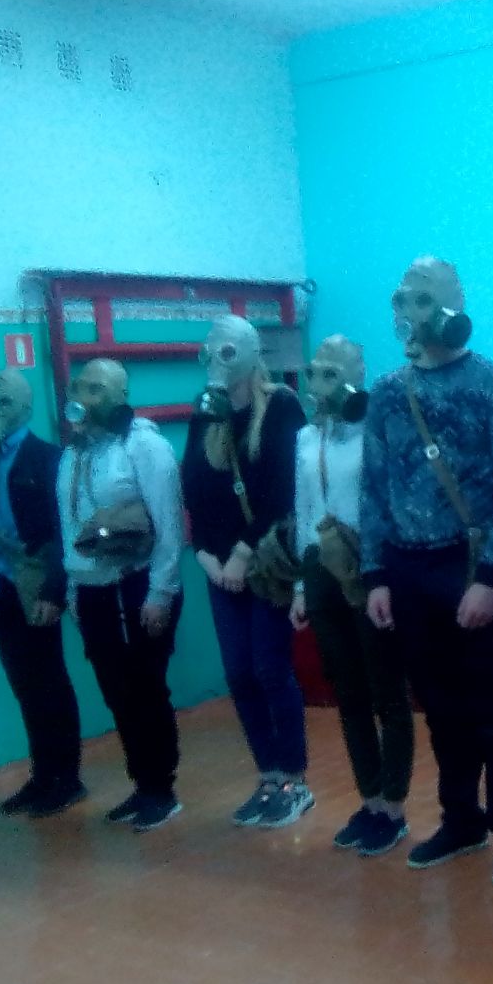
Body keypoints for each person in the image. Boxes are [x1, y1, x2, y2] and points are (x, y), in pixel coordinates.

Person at [361, 256, 493, 887]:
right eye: (402, 299)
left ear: (453, 304)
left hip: (471, 565)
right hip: (407, 568)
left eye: (423, 298)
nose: (410, 312)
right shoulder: (388, 391)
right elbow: (374, 486)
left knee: (492, 705)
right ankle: (461, 820)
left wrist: (492, 577)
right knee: (437, 705)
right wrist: (375, 574)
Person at [183, 314, 312, 829]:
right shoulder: (206, 411)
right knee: (238, 672)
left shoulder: (281, 406)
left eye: (229, 350)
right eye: (212, 349)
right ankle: (267, 775)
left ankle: (294, 780)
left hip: (265, 562)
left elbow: (283, 489)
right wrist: (206, 555)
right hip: (221, 567)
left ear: (251, 353)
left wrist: (242, 551)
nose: (218, 359)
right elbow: (194, 488)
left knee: (269, 668)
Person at [289, 335, 415, 858]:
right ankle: (370, 801)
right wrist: (301, 584)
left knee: (386, 692)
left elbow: (392, 504)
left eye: (335, 370)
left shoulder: (377, 431)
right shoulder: (304, 437)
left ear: (359, 372)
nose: (323, 381)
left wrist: (384, 572)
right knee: (349, 693)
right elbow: (303, 509)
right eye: (317, 370)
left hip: (369, 567)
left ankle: (395, 808)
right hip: (320, 569)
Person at [57, 358, 186, 832]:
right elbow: (70, 525)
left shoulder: (145, 446)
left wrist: (160, 591)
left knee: (146, 688)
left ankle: (161, 789)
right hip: (92, 590)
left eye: (98, 389)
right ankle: (141, 783)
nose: (86, 397)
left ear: (120, 397)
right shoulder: (73, 452)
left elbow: (169, 524)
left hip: (139, 585)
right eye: (81, 387)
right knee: (116, 692)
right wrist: (74, 588)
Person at [0, 369, 84, 818]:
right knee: (24, 685)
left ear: (26, 410)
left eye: (5, 402)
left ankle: (67, 779)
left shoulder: (48, 459)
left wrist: (55, 590)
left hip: (34, 583)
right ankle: (42, 775)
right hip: (0, 587)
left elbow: (63, 531)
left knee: (49, 680)